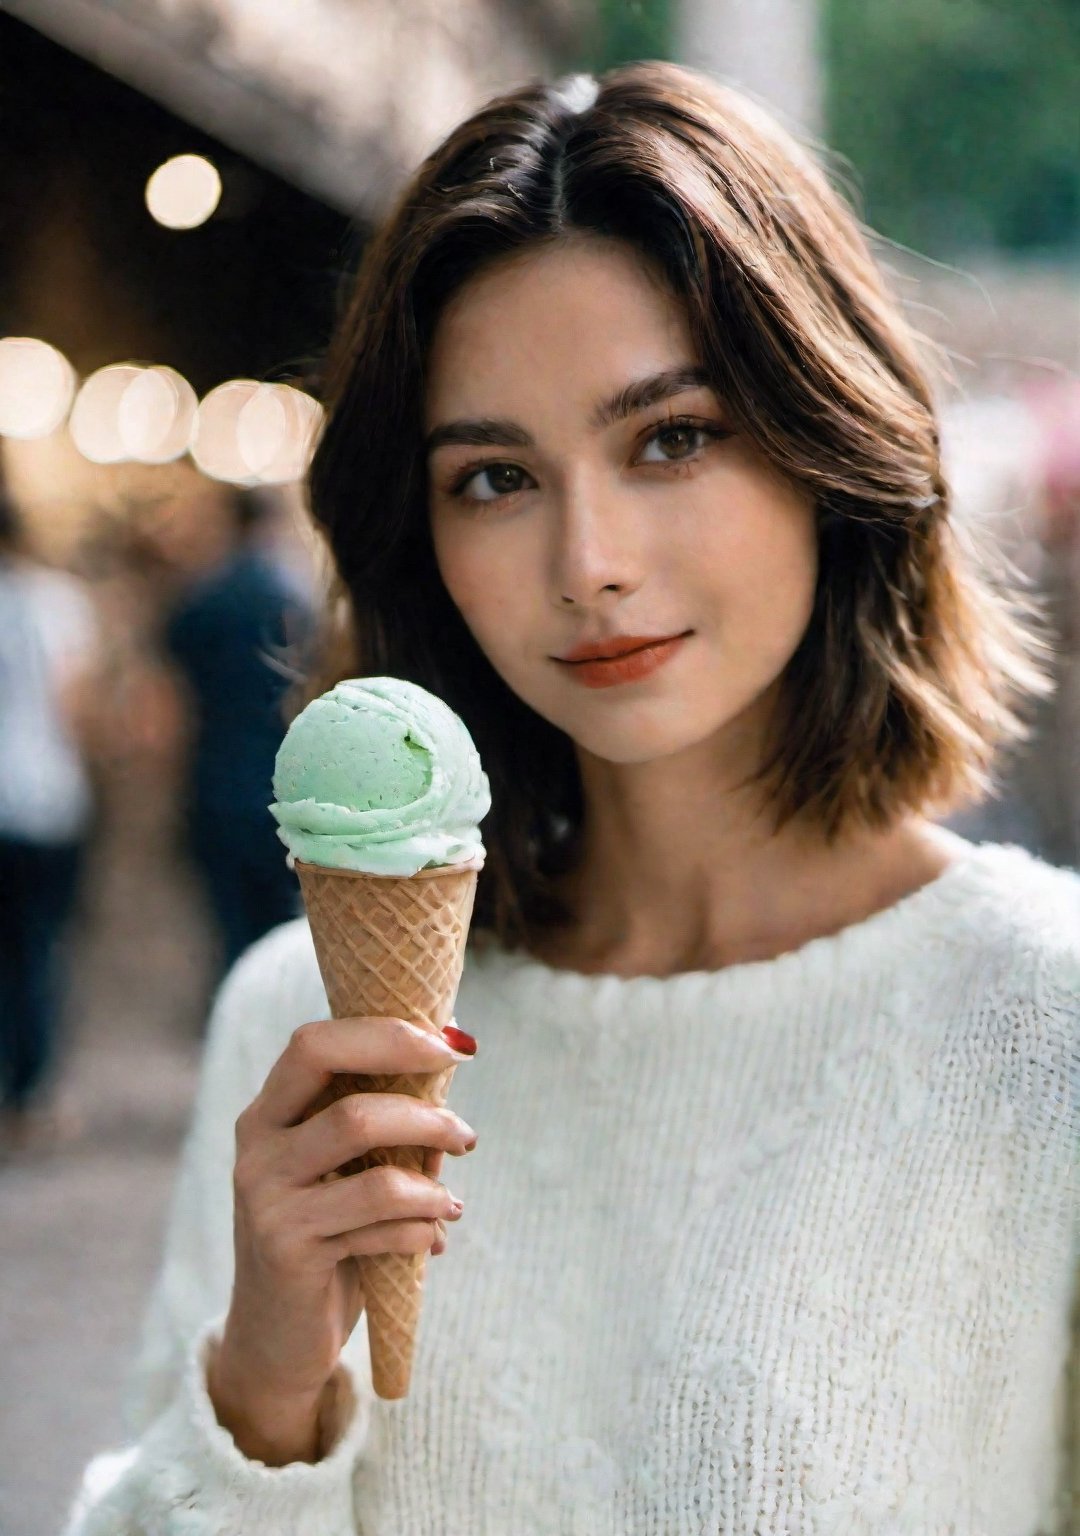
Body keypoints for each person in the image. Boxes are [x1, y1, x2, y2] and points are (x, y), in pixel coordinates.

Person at [64, 63, 1080, 1533]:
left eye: (672, 437)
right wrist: (263, 1395)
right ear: (418, 531)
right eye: (494, 478)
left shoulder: (1045, 1028)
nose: (587, 558)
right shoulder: (304, 1028)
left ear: (830, 449)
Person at [164, 485, 312, 988]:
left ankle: (236, 1011)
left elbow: (173, 690)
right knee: (279, 921)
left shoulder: (206, 596)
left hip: (216, 773)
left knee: (230, 923)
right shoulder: (295, 597)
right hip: (282, 778)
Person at [0, 488, 100, 1155]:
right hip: (47, 797)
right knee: (37, 947)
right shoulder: (58, 601)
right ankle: (28, 1095)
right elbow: (74, 704)